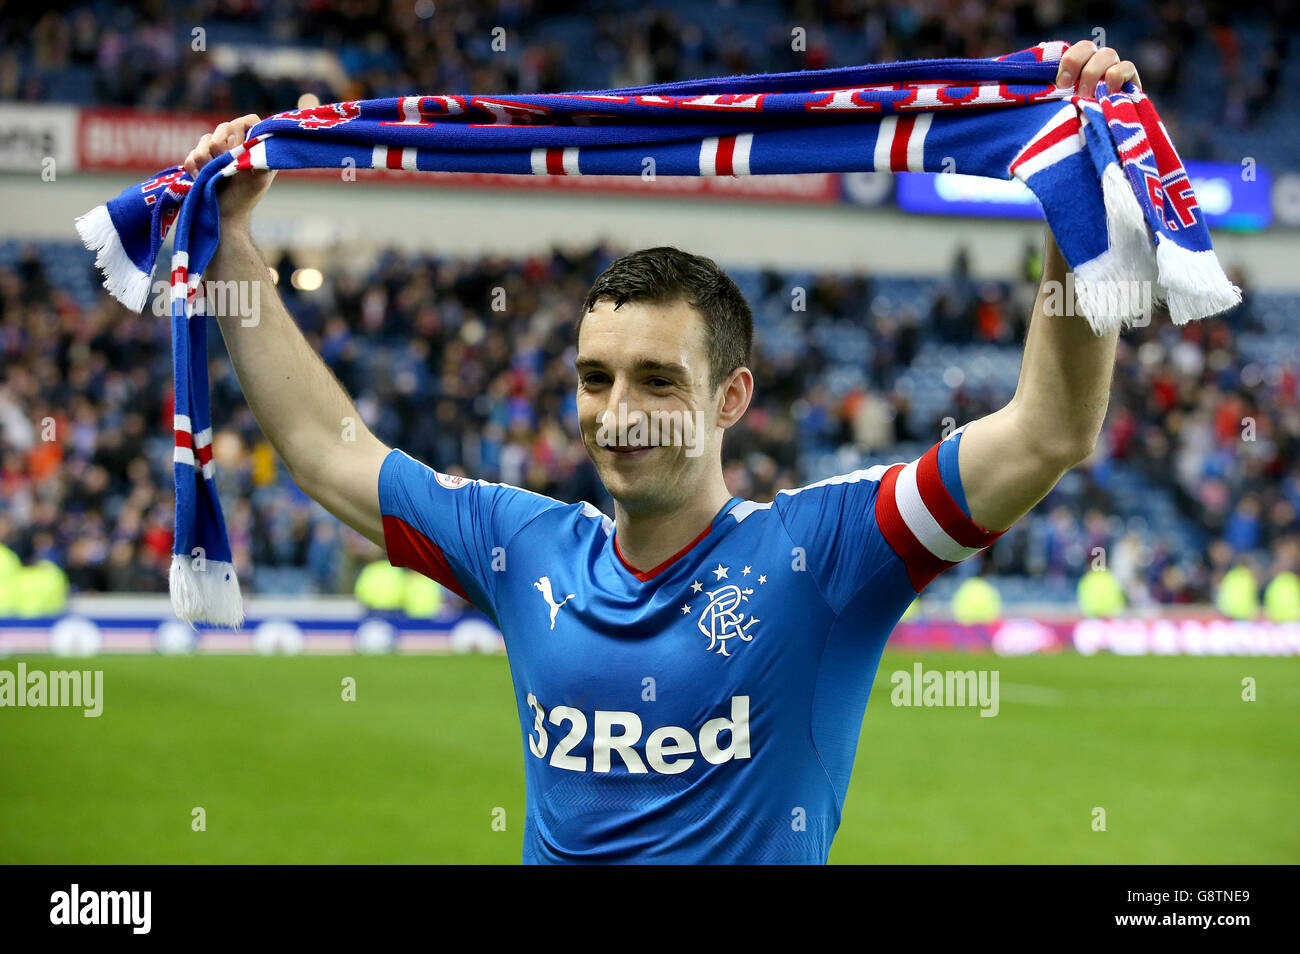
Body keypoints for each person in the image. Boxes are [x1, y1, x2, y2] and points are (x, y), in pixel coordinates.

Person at [183, 42, 1141, 864]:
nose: (616, 412)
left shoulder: (827, 554)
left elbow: (1051, 430)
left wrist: (1073, 191)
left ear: (732, 397)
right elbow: (321, 449)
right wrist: (229, 247)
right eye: (594, 377)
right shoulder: (522, 546)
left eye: (656, 379)